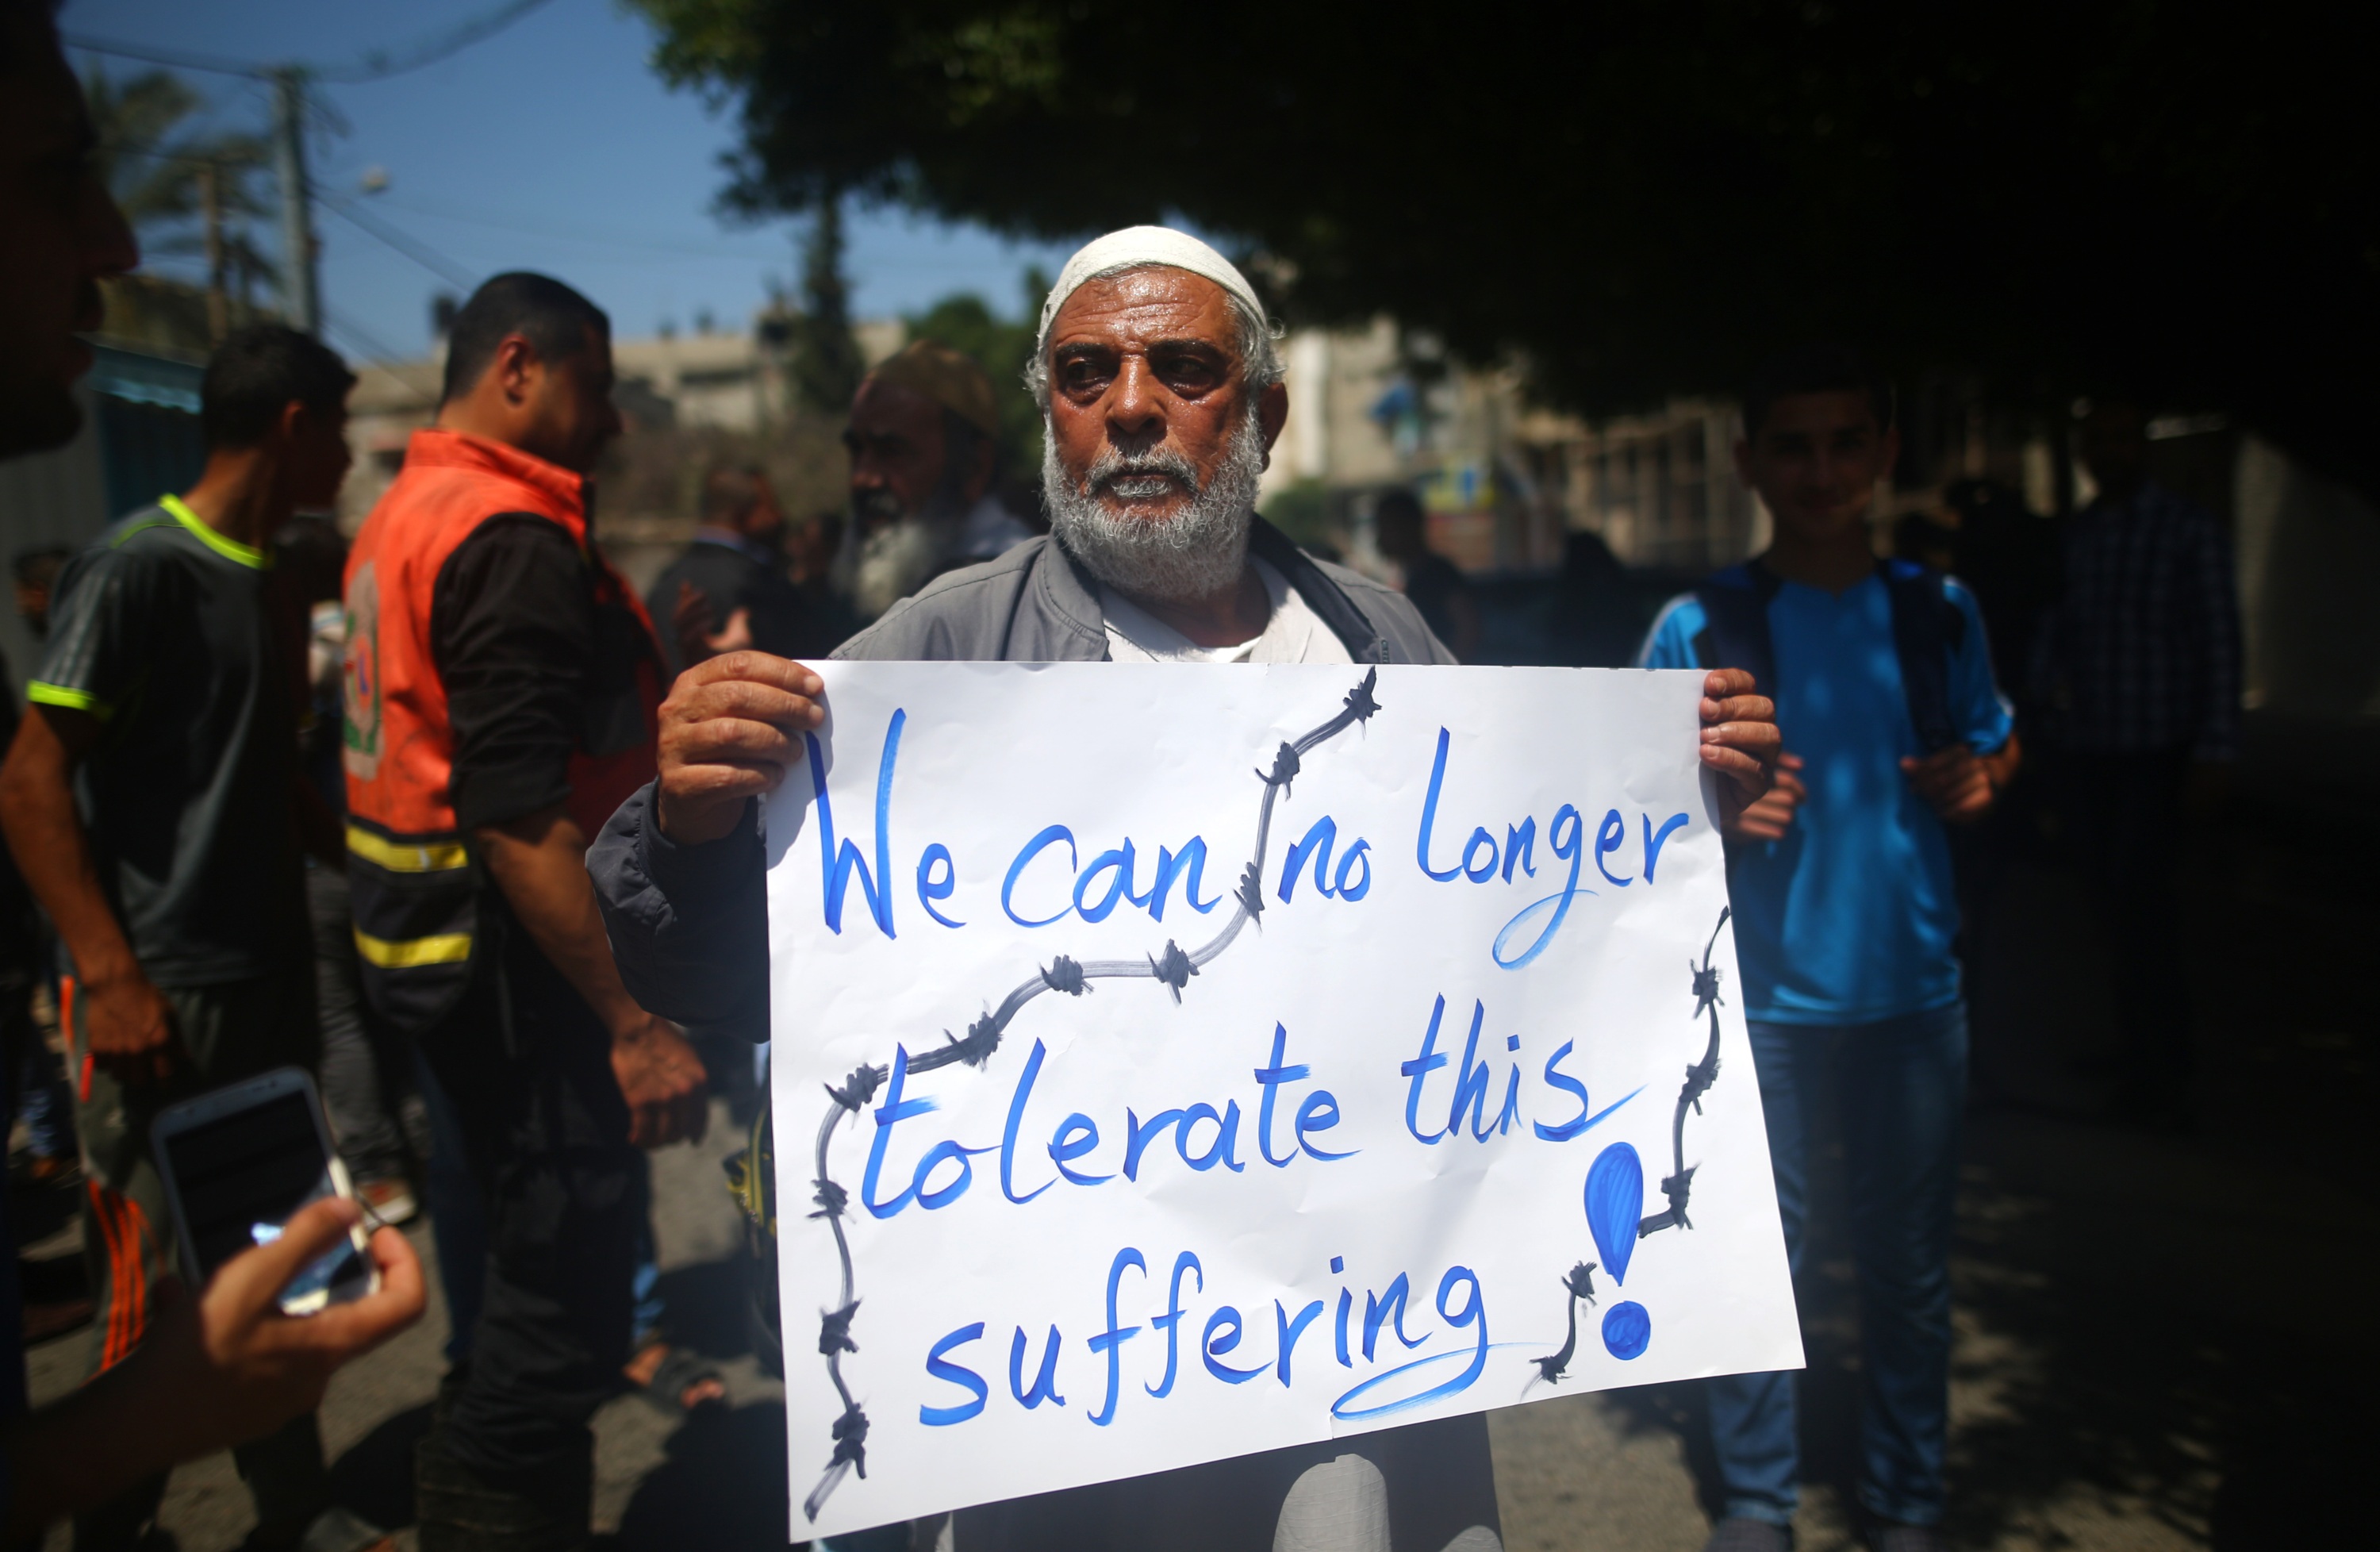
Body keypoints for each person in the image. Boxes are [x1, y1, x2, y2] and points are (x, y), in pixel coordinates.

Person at [589, 225, 1780, 1552]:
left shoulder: (1377, 639)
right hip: (1053, 1377)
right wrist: (689, 827)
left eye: (1184, 368)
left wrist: (1686, 823)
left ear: (1264, 412)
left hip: (1348, 1355)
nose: (1133, 406)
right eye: (1088, 372)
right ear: (1053, 410)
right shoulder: (938, 652)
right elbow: (715, 971)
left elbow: (1528, 944)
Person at [0, 8, 421, 1539]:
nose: (349, 465)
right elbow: (35, 782)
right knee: (147, 1287)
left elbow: (264, 766)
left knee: (277, 1259)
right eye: (345, 436)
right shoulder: (137, 569)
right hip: (157, 986)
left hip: (261, 981)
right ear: (297, 426)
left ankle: (291, 1511)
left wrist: (349, 854)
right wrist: (108, 974)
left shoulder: (270, 575)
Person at [338, 270, 711, 1550]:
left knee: (498, 1279)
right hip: (526, 991)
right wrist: (632, 1020)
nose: (611, 421)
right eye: (596, 388)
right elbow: (514, 812)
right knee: (562, 1322)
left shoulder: (404, 511)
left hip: (434, 974)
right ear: (517, 367)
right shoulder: (508, 538)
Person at [1638, 345, 2019, 1552]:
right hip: (1752, 1011)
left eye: (1845, 441)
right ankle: (1758, 1495)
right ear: (1749, 462)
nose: (1819, 469)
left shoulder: (1939, 611)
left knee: (1908, 1273)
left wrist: (1982, 778)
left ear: (1885, 454)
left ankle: (1907, 1497)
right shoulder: (1695, 628)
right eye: (1791, 446)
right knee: (1757, 1267)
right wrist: (1709, 812)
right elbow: (1624, 821)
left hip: (1916, 1002)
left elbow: (1998, 747)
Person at [2050, 400, 2240, 1127]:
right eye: (2095, 440)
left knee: (2147, 911)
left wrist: (2216, 752)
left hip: (2161, 754)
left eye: (2120, 438)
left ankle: (2164, 1071)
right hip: (2092, 752)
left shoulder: (2188, 531)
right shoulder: (2083, 536)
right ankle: (2136, 1048)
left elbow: (2221, 645)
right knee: (2108, 907)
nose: (2108, 451)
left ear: (2143, 446)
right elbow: (2060, 640)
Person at [838, 339, 1033, 619]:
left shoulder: (1008, 591)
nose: (863, 479)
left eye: (891, 452)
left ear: (975, 465)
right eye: (857, 451)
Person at [646, 463, 839, 673]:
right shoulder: (762, 587)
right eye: (770, 508)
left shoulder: (665, 580)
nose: (778, 517)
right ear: (743, 513)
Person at [1373, 488, 1480, 661]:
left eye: (1386, 526)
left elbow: (1468, 626)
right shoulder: (1413, 576)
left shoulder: (1438, 573)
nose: (1379, 537)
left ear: (1408, 526)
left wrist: (1449, 674)